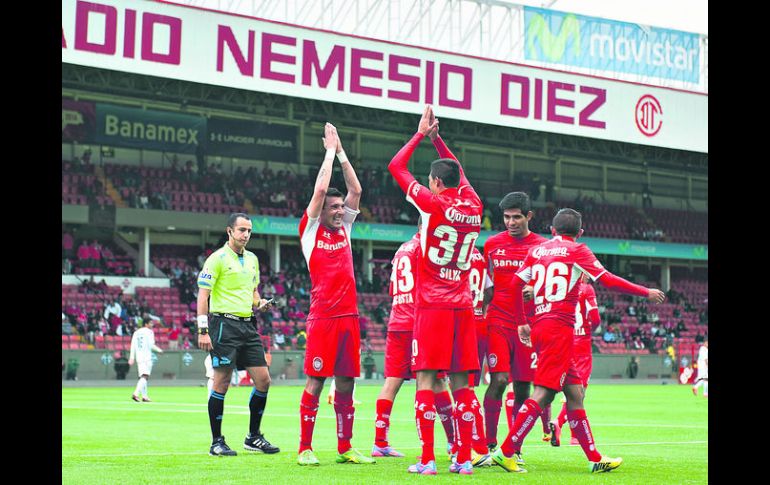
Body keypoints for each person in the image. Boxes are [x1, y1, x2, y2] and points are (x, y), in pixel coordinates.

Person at [491, 208, 665, 474]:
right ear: (580, 232)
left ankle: (595, 458)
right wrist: (645, 292)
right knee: (545, 393)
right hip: (559, 328)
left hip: (541, 325)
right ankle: (506, 451)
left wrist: (523, 320)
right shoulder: (578, 250)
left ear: (552, 230)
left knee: (574, 393)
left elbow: (515, 284)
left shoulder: (537, 251)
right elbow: (607, 279)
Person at [388, 105, 482, 475]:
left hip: (432, 306)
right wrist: (438, 139)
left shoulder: (431, 202)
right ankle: (463, 457)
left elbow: (397, 167)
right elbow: (459, 171)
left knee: (426, 378)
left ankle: (428, 458)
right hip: (463, 305)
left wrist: (419, 134)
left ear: (436, 183)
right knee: (462, 384)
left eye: (431, 180)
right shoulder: (475, 204)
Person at [296, 123, 373, 466]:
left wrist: (342, 152)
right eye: (334, 207)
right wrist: (327, 150)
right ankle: (305, 448)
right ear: (321, 211)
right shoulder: (310, 231)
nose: (340, 210)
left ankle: (345, 447)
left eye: (342, 207)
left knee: (345, 385)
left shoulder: (346, 228)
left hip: (349, 320)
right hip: (323, 319)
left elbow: (356, 188)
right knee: (315, 383)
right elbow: (320, 189)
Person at [370, 224, 459, 462]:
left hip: (397, 320)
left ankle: (380, 442)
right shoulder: (427, 249)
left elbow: (392, 288)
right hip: (419, 321)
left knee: (392, 381)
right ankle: (453, 443)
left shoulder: (401, 249)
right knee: (436, 381)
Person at [196, 212, 279, 457]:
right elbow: (203, 296)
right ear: (229, 231)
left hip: (247, 326)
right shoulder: (217, 259)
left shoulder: (253, 259)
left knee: (263, 380)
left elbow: (253, 291)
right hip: (223, 324)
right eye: (241, 230)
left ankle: (253, 437)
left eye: (249, 231)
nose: (246, 235)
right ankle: (216, 442)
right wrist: (203, 330)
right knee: (221, 381)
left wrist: (260, 303)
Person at [481, 191, 547, 465]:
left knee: (523, 388)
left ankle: (512, 447)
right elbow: (487, 283)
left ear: (529, 216)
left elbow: (551, 284)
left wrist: (537, 288)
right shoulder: (492, 245)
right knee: (499, 380)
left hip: (528, 326)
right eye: (507, 217)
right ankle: (487, 445)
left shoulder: (543, 247)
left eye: (516, 217)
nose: (511, 222)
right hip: (497, 321)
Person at [549, 274, 602, 447]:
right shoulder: (587, 289)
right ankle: (558, 422)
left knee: (572, 388)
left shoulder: (563, 287)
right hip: (581, 346)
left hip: (564, 341)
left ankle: (575, 436)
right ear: (583, 273)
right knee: (579, 391)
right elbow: (595, 318)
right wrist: (588, 330)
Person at [128, 318, 163, 402]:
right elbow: (151, 345)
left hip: (139, 357)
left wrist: (132, 357)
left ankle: (145, 396)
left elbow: (133, 345)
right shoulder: (149, 332)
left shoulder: (136, 332)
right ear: (146, 324)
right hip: (146, 357)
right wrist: (159, 350)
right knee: (145, 376)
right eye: (150, 323)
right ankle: (136, 393)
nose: (152, 325)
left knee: (142, 377)